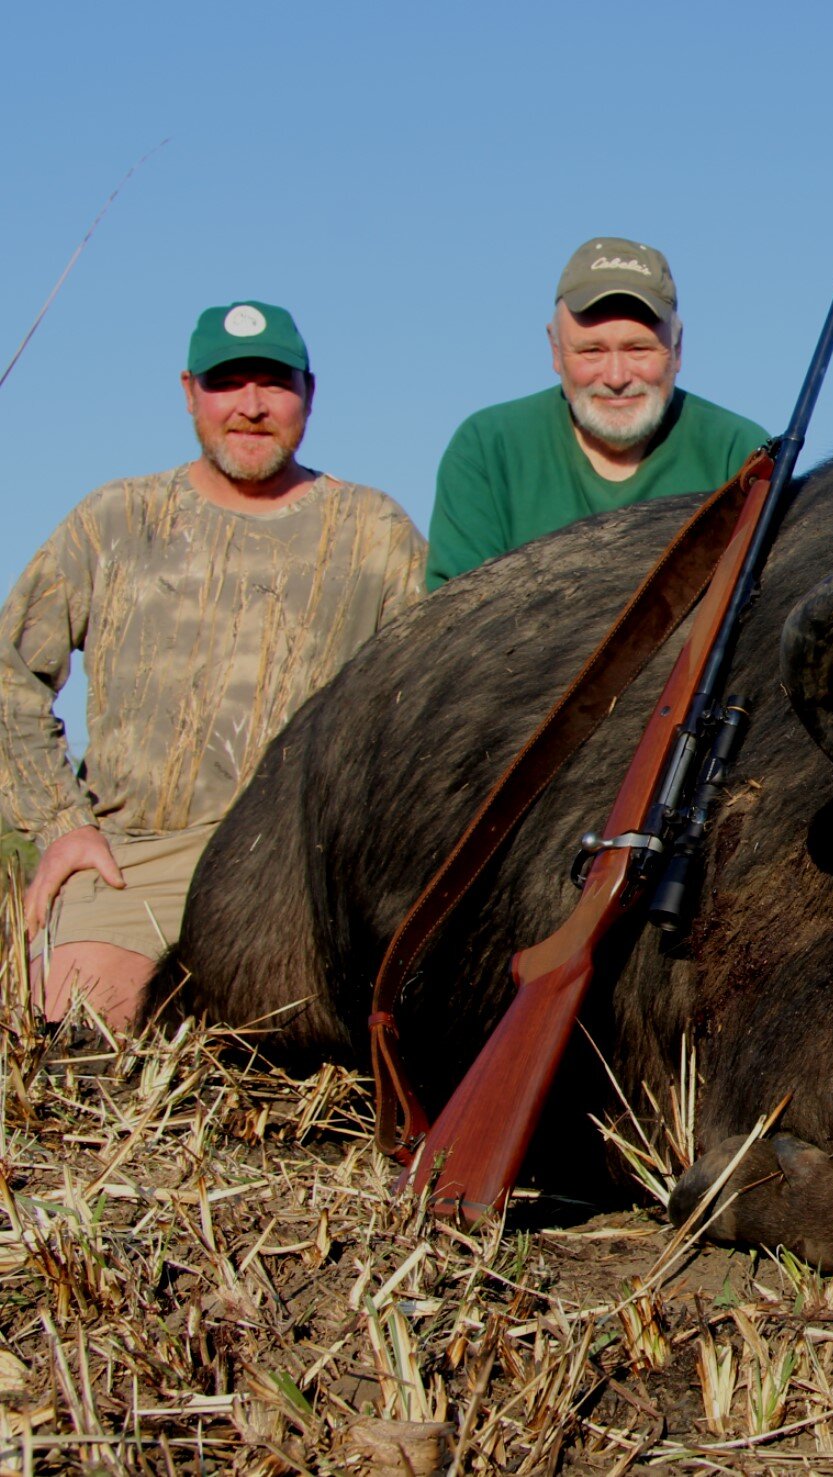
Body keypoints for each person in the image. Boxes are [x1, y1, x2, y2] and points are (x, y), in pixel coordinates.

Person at [0, 301, 426, 1030]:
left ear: (309, 393)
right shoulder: (114, 519)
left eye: (273, 383)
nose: (251, 407)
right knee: (76, 1025)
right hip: (140, 858)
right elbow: (11, 674)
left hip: (298, 865)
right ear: (190, 391)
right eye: (228, 384)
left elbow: (425, 702)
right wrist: (62, 824)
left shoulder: (375, 532)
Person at [424, 236, 768, 590]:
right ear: (555, 350)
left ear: (677, 349)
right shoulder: (486, 448)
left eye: (638, 349)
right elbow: (456, 623)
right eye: (591, 351)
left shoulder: (741, 454)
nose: (616, 377)